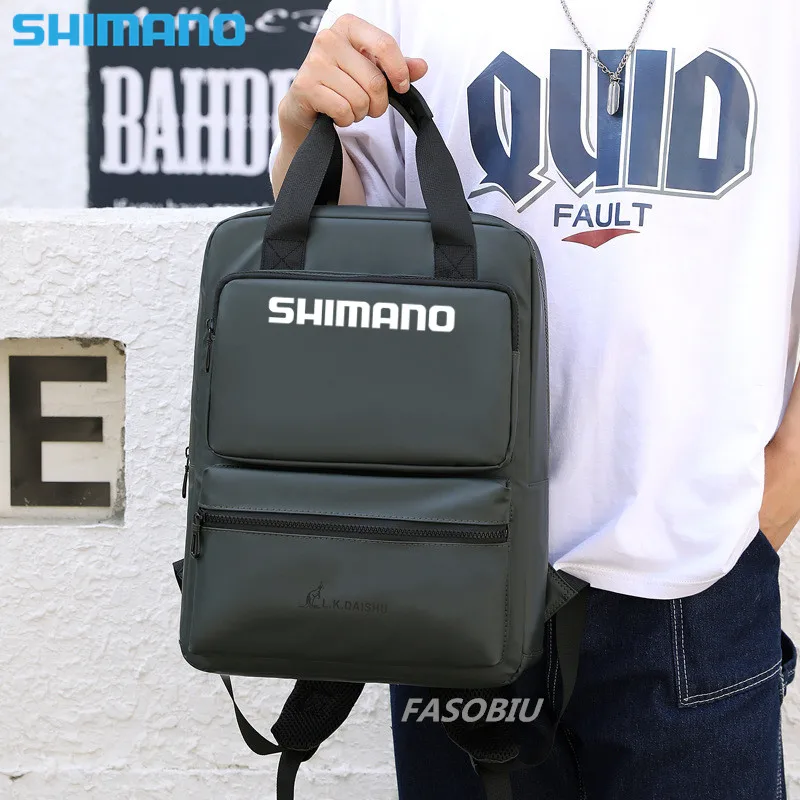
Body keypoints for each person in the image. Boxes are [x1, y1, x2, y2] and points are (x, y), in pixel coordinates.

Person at [269, 2, 800, 797]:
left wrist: (769, 505)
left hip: (699, 579)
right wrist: (301, 133)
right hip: (453, 568)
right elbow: (339, 282)